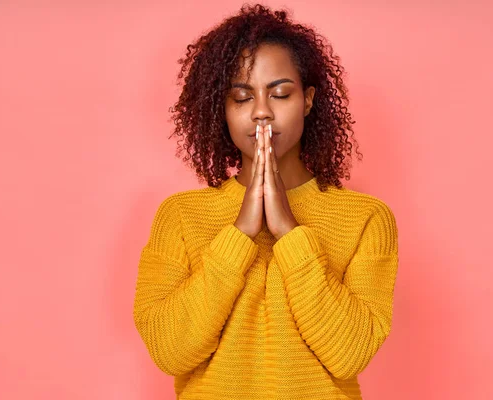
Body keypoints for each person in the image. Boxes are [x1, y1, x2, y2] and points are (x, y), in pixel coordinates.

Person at [132, 3, 399, 399]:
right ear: (220, 110)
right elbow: (170, 352)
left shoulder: (366, 218)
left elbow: (349, 354)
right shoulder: (180, 216)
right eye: (241, 98)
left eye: (280, 94)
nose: (261, 112)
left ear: (307, 100)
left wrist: (290, 232)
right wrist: (239, 234)